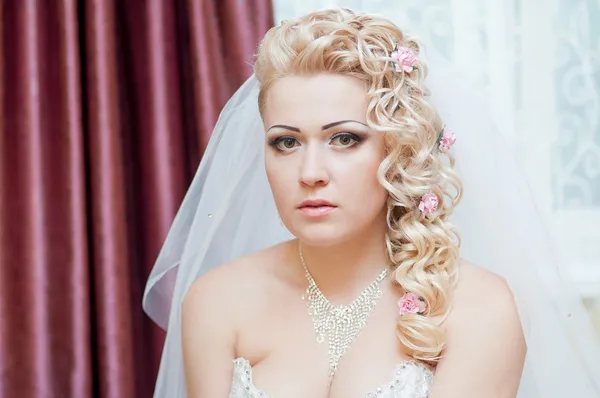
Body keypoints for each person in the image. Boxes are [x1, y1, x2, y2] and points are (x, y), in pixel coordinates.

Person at [142, 8, 600, 398]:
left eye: (345, 138)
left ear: (397, 151)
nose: (310, 172)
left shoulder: (477, 306)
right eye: (286, 143)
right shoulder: (215, 301)